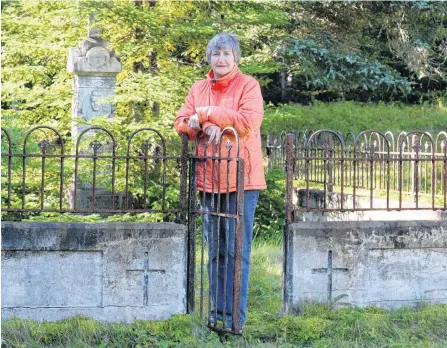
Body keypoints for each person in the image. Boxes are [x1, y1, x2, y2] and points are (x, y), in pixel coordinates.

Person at [174, 32, 266, 330]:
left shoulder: (248, 85)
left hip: (241, 180)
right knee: (215, 251)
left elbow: (247, 122)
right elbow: (180, 123)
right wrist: (207, 123)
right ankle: (216, 314)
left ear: (236, 58)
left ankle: (234, 320)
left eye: (227, 54)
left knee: (237, 252)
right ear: (209, 58)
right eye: (216, 54)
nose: (221, 59)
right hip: (209, 179)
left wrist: (207, 113)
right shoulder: (198, 87)